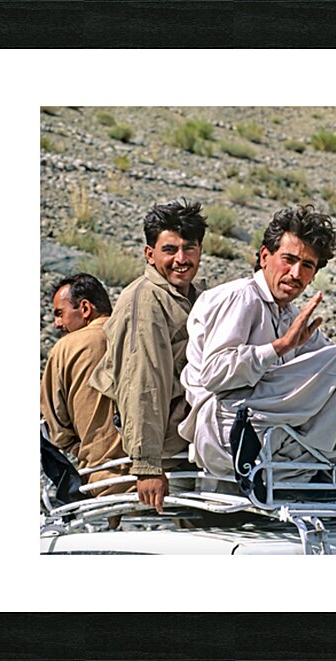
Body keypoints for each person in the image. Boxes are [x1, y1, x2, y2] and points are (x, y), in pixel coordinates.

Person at [178, 205, 336, 491]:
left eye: (307, 265)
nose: (295, 273)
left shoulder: (289, 314)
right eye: (289, 259)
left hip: (263, 419)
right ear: (265, 257)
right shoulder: (242, 298)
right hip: (226, 422)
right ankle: (309, 466)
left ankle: (303, 469)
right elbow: (213, 375)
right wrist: (278, 347)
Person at [90, 199, 207, 513]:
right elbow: (142, 384)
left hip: (189, 444)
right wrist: (147, 465)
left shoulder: (194, 297)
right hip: (167, 453)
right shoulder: (146, 301)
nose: (181, 259)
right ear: (149, 253)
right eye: (169, 250)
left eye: (189, 248)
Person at [41, 274, 130, 497]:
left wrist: (87, 449)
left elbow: (56, 427)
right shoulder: (141, 333)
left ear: (85, 308)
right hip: (168, 474)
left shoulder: (65, 348)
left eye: (60, 313)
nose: (57, 324)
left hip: (103, 478)